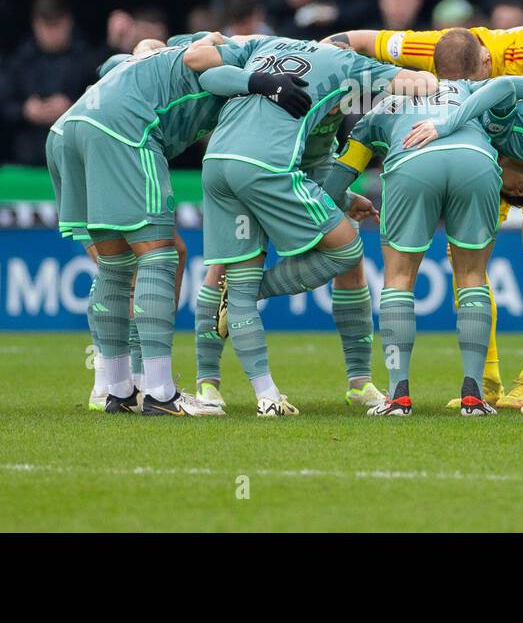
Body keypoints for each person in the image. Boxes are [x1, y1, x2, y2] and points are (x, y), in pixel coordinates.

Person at [328, 15, 523, 410]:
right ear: (482, 64)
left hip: (412, 160)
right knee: (473, 275)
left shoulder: (393, 96)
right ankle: (476, 392)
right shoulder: (485, 92)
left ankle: (399, 395)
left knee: (399, 278)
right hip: (476, 164)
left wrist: (333, 204)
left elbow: (342, 172)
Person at [52, 32, 315, 417]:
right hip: (123, 131)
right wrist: (262, 82)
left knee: (116, 265)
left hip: (69, 128)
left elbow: (113, 65)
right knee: (158, 255)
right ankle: (159, 392)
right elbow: (203, 66)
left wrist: (146, 48)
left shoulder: (158, 57)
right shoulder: (234, 57)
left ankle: (118, 389)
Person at [182, 35, 436, 416]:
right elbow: (420, 82)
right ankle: (248, 314)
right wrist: (438, 83)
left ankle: (220, 388)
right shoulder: (345, 67)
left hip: (218, 162)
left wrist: (348, 200)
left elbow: (203, 66)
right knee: (347, 249)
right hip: (267, 169)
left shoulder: (268, 48)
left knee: (229, 273)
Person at [2, 0, 98, 165]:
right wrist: (25, 109)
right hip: (26, 159)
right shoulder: (19, 60)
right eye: (46, 26)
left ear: (68, 22)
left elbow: (103, 107)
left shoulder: (88, 61)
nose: (51, 33)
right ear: (35, 24)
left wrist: (73, 108)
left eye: (56, 25)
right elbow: (0, 103)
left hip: (74, 159)